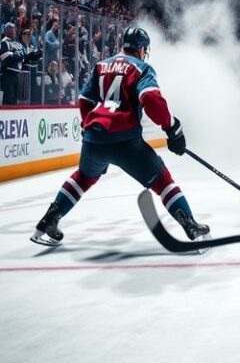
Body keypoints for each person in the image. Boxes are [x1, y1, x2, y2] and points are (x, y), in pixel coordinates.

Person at [31, 27, 209, 247]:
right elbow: (152, 100)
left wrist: (88, 125)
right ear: (142, 48)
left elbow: (85, 100)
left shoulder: (102, 65)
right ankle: (190, 225)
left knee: (84, 177)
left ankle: (48, 220)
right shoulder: (142, 68)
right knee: (162, 181)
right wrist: (171, 128)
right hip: (125, 141)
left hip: (94, 137)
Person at [1, 22, 39, 104]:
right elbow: (5, 57)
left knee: (15, 99)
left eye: (14, 29)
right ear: (6, 31)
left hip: (18, 74)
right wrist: (19, 55)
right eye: (12, 29)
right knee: (9, 98)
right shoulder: (4, 43)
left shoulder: (18, 44)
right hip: (8, 74)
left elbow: (24, 57)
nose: (14, 31)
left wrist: (36, 55)